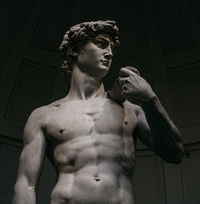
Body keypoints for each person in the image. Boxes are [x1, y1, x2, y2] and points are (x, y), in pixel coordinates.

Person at [13, 20, 184, 204]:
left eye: (111, 48)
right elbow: (25, 184)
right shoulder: (44, 115)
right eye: (101, 44)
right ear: (74, 50)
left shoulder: (130, 109)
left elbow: (174, 154)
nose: (109, 54)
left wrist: (150, 100)